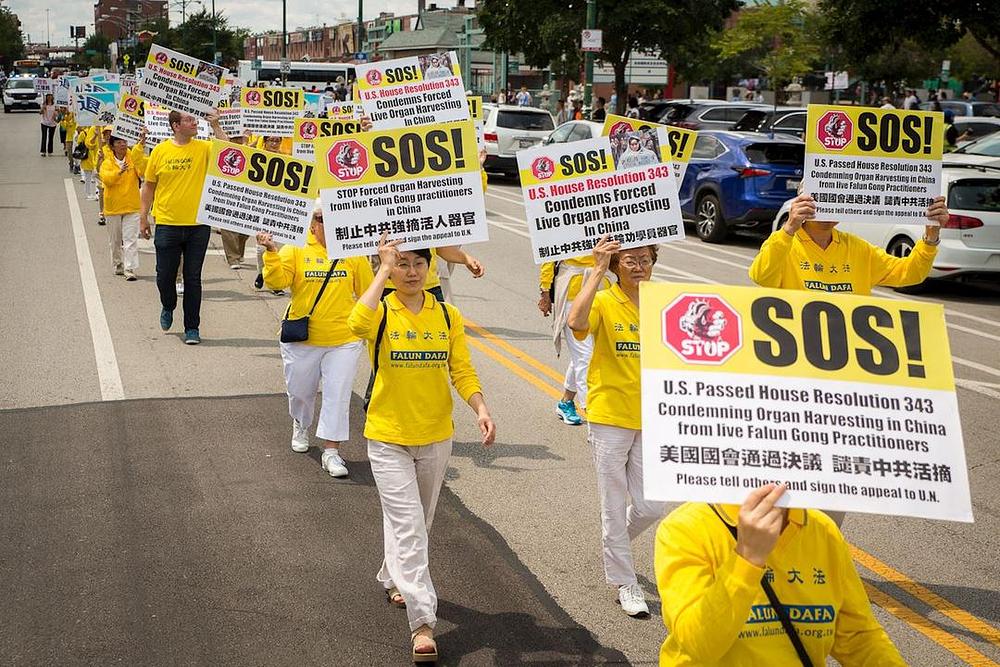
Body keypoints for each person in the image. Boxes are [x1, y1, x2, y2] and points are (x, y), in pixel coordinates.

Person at [749, 188, 948, 526]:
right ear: (803, 199)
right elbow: (761, 275)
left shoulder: (856, 248)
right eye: (821, 196)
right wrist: (789, 228)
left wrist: (930, 237)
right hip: (792, 382)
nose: (829, 206)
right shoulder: (787, 242)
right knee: (784, 479)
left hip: (843, 385)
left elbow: (909, 273)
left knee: (832, 483)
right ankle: (771, 541)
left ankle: (822, 542)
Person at [348, 235, 495, 664]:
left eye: (418, 263)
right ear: (390, 268)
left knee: (418, 522)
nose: (411, 272)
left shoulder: (447, 315)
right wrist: (381, 267)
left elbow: (461, 369)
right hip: (388, 436)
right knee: (410, 527)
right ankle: (423, 624)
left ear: (430, 268)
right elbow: (356, 324)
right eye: (402, 264)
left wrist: (481, 408)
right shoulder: (381, 310)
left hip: (435, 436)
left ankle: (393, 574)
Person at [654, 483, 906, 665]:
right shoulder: (686, 528)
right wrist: (747, 558)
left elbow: (858, 637)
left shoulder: (823, 530)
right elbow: (699, 645)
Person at [567, 236, 665, 617]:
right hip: (610, 415)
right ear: (615, 266)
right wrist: (596, 269)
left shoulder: (662, 302)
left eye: (644, 259)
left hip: (651, 415)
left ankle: (614, 540)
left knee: (652, 504)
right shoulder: (605, 301)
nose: (638, 267)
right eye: (629, 261)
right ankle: (626, 583)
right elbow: (576, 322)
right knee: (613, 503)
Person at [257, 202, 374, 477]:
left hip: (343, 339)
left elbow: (369, 293)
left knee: (338, 395)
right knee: (300, 392)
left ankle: (331, 451)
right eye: (322, 218)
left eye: (335, 215)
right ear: (312, 222)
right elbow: (277, 282)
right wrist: (271, 253)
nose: (329, 222)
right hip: (302, 338)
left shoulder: (353, 252)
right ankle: (301, 422)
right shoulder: (295, 248)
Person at [140, 109, 227, 346]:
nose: (194, 123)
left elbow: (230, 151)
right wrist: (143, 217)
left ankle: (192, 327)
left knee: (193, 278)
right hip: (167, 224)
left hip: (198, 225)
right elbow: (149, 186)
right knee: (164, 276)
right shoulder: (160, 151)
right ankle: (168, 305)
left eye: (194, 119)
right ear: (176, 126)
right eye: (189, 120)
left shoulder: (204, 148)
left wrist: (216, 126)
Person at [539, 253, 613, 425]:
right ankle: (593, 412)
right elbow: (549, 253)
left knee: (584, 354)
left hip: (603, 290)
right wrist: (545, 291)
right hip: (572, 292)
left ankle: (566, 402)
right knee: (585, 355)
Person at [99, 130, 147, 280]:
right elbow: (106, 180)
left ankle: (129, 268)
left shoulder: (132, 159)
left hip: (131, 205)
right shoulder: (107, 163)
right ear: (112, 146)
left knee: (130, 239)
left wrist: (141, 144)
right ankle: (118, 264)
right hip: (113, 208)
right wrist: (119, 172)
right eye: (119, 142)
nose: (122, 145)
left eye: (124, 142)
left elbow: (142, 169)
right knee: (115, 240)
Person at [254, 135, 293, 293]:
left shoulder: (287, 159)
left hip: (280, 206)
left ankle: (274, 277)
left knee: (276, 244)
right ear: (265, 142)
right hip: (261, 204)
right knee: (261, 244)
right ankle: (260, 273)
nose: (275, 143)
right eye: (272, 140)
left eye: (278, 141)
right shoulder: (257, 157)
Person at [219, 133, 251, 268]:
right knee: (228, 227)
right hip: (226, 194)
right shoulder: (222, 150)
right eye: (234, 138)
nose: (237, 140)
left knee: (245, 229)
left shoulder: (249, 151)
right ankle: (233, 258)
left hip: (245, 196)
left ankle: (238, 252)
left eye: (239, 138)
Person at [79, 125, 101, 201]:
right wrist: (95, 136)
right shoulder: (93, 129)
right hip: (89, 158)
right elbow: (88, 144)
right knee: (88, 178)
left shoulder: (110, 128)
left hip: (101, 159)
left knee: (98, 177)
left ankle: (98, 193)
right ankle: (88, 193)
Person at [60, 108, 78, 174]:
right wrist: (63, 120)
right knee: (69, 154)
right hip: (69, 138)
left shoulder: (76, 117)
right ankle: (71, 164)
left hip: (76, 138)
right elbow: (64, 128)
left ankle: (76, 166)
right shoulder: (66, 117)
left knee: (76, 153)